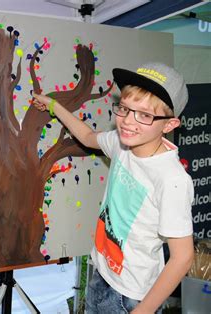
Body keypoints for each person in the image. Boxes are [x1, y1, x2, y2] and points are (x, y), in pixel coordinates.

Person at [33, 62, 194, 313]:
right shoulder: (122, 143)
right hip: (102, 274)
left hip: (132, 297)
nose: (128, 122)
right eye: (125, 109)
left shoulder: (172, 179)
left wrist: (143, 311)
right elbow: (87, 137)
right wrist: (54, 107)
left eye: (144, 115)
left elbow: (183, 258)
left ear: (169, 125)